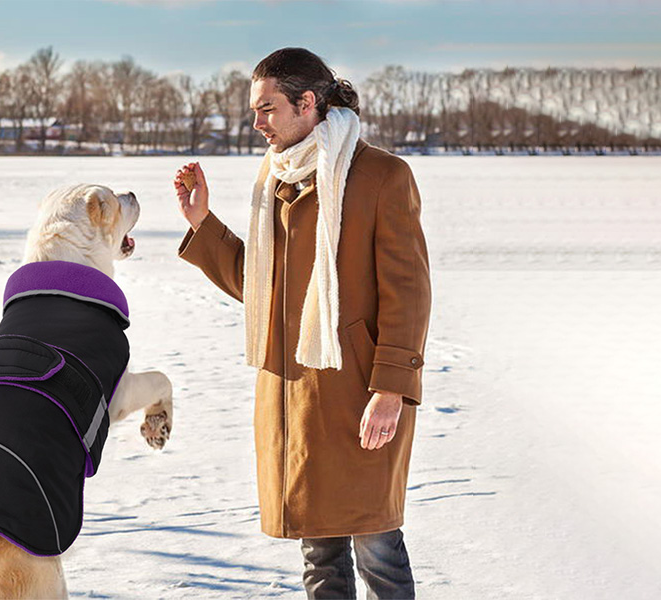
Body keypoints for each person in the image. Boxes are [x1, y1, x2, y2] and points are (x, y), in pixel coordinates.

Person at [172, 48, 431, 599]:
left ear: (306, 103)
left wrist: (391, 390)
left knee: (376, 546)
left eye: (267, 109)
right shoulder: (276, 177)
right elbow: (264, 288)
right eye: (254, 110)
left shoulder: (382, 175)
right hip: (296, 395)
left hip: (358, 393)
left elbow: (408, 294)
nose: (256, 122)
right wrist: (203, 223)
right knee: (319, 553)